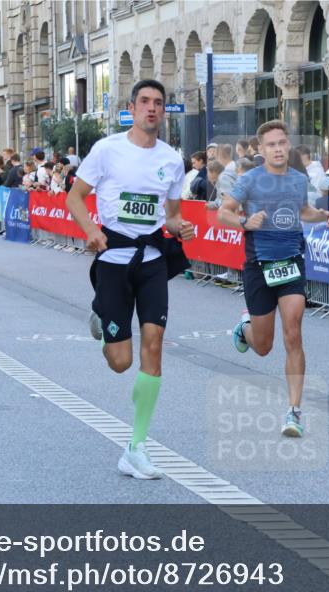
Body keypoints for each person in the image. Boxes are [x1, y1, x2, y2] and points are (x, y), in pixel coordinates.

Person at [66, 78, 195, 480]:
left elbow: (171, 215)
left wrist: (180, 227)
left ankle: (136, 447)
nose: (152, 108)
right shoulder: (107, 150)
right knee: (121, 362)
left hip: (152, 259)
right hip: (114, 259)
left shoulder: (172, 159)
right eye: (145, 101)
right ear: (132, 107)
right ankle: (102, 315)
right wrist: (91, 230)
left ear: (163, 110)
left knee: (153, 344)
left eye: (158, 102)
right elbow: (74, 197)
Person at [220, 120, 329, 438]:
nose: (278, 149)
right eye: (271, 144)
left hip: (291, 263)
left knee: (293, 333)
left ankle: (294, 411)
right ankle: (244, 329)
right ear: (261, 149)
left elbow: (304, 211)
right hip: (258, 266)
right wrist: (245, 221)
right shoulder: (250, 180)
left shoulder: (298, 180)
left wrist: (324, 216)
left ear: (288, 145)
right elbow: (223, 212)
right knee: (263, 346)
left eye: (282, 143)